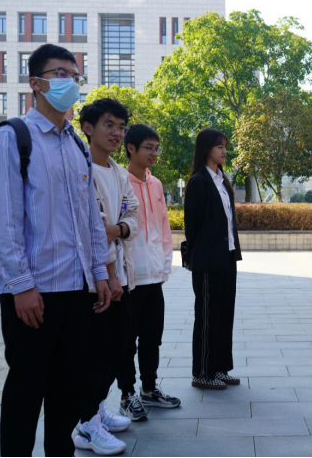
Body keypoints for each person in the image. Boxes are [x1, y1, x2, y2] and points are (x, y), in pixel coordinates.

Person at [0, 44, 112, 457]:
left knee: (67, 394)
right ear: (35, 83)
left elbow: (90, 217)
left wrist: (100, 272)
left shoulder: (76, 144)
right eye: (60, 74)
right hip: (34, 293)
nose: (69, 82)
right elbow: (4, 220)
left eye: (74, 75)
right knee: (26, 393)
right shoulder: (12, 138)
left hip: (75, 290)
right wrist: (22, 285)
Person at [73, 98, 140, 455]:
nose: (117, 133)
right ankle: (85, 425)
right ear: (88, 128)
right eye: (109, 125)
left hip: (120, 277)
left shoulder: (118, 172)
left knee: (118, 349)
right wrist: (110, 272)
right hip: (92, 281)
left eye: (121, 127)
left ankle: (97, 409)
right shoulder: (81, 168)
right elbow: (92, 228)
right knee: (95, 354)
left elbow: (132, 216)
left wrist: (119, 229)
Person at [119, 124, 181, 411]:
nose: (154, 153)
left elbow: (163, 225)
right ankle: (126, 395)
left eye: (157, 148)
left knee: (152, 338)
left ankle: (149, 388)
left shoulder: (155, 184)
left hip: (154, 276)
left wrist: (165, 264)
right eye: (149, 148)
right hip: (129, 278)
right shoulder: (120, 181)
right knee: (126, 340)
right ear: (131, 148)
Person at [184, 128, 242, 390]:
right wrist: (197, 255)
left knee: (224, 315)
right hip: (207, 260)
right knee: (207, 317)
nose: (224, 151)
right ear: (207, 149)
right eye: (220, 146)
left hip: (227, 257)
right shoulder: (198, 182)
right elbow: (192, 226)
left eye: (225, 146)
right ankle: (202, 373)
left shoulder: (223, 181)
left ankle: (219, 368)